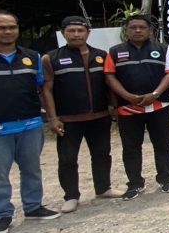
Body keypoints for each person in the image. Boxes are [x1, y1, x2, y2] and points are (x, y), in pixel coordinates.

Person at [0, 11, 59, 233]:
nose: (8, 31)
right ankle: (2, 215)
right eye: (1, 27)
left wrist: (51, 118)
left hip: (30, 125)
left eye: (12, 27)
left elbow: (42, 89)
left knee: (32, 169)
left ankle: (33, 207)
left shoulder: (32, 57)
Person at [42, 15, 121, 213]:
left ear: (88, 32)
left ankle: (103, 188)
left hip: (99, 116)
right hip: (68, 119)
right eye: (71, 31)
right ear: (63, 33)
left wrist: (114, 107)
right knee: (68, 159)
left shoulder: (101, 55)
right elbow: (46, 90)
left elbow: (109, 84)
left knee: (102, 154)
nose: (76, 34)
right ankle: (71, 196)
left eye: (80, 30)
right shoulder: (51, 58)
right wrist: (53, 118)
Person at [104, 14, 169, 199]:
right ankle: (135, 183)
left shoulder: (163, 49)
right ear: (126, 31)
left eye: (142, 27)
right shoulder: (114, 51)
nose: (137, 30)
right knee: (131, 147)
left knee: (162, 144)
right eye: (133, 27)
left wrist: (155, 94)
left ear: (150, 30)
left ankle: (165, 179)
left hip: (158, 105)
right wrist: (126, 96)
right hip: (128, 108)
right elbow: (109, 76)